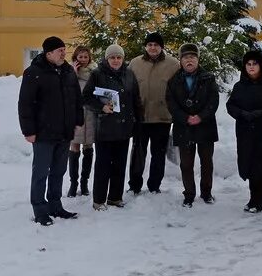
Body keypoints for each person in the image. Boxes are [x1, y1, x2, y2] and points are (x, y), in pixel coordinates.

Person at [17, 35, 83, 226]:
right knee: (41, 172)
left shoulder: (68, 71)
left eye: (64, 50)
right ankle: (39, 209)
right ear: (48, 54)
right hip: (43, 132)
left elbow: (76, 98)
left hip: (64, 131)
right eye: (59, 51)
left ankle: (55, 205)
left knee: (58, 170)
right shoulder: (34, 72)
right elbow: (25, 104)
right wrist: (28, 130)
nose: (64, 53)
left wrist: (77, 118)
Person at [82, 43, 141, 210]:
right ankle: (99, 200)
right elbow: (86, 97)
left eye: (119, 57)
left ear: (123, 59)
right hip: (105, 128)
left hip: (124, 128)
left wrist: (137, 122)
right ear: (107, 59)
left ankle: (115, 197)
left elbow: (136, 100)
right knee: (103, 165)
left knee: (120, 165)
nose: (116, 60)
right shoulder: (97, 74)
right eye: (112, 57)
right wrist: (101, 107)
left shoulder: (129, 74)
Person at [226, 48, 262, 213]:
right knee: (249, 166)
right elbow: (230, 105)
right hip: (245, 132)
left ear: (260, 66)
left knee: (261, 167)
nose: (251, 67)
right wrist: (242, 114)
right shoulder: (240, 85)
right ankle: (253, 198)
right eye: (248, 64)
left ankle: (258, 200)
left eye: (254, 64)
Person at [165, 42, 220, 206]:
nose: (189, 60)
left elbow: (213, 100)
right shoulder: (173, 80)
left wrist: (201, 116)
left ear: (198, 60)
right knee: (186, 164)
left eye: (193, 57)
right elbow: (171, 103)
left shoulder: (208, 78)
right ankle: (189, 194)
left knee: (207, 163)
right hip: (184, 127)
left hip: (205, 126)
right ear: (181, 60)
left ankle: (206, 192)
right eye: (186, 57)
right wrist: (185, 118)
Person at [127, 31, 180, 195]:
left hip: (162, 117)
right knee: (138, 153)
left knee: (158, 154)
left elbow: (178, 90)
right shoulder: (135, 63)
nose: (152, 47)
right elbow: (128, 88)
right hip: (140, 117)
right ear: (145, 46)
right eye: (150, 44)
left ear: (161, 47)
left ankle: (154, 185)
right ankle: (134, 185)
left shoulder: (173, 64)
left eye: (156, 45)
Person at [67, 45, 95, 198]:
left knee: (89, 147)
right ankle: (73, 183)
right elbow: (67, 91)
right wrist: (73, 74)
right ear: (76, 58)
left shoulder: (95, 72)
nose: (83, 60)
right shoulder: (70, 72)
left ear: (89, 58)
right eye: (80, 57)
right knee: (74, 146)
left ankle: (84, 183)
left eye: (85, 57)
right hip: (76, 115)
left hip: (90, 114)